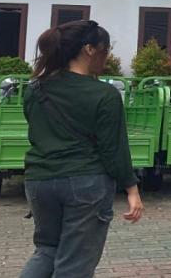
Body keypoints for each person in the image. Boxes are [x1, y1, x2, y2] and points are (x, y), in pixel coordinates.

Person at [20, 20, 144, 278]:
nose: (107, 57)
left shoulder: (34, 89)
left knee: (47, 251)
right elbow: (114, 149)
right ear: (89, 49)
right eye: (106, 50)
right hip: (86, 184)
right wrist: (132, 189)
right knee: (74, 265)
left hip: (39, 181)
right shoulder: (104, 94)